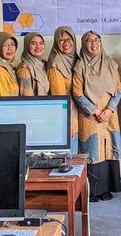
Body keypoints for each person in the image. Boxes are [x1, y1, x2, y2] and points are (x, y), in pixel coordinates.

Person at [73, 31, 121, 202]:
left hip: (109, 115)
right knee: (93, 151)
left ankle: (107, 188)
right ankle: (93, 191)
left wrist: (109, 110)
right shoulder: (80, 66)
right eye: (90, 41)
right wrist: (95, 111)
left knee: (108, 148)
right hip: (91, 117)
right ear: (84, 44)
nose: (94, 44)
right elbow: (77, 93)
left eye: (97, 40)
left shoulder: (110, 64)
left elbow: (119, 89)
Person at [47, 26, 80, 154]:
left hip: (76, 116)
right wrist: (67, 123)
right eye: (61, 40)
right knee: (68, 157)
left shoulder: (76, 60)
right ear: (56, 42)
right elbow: (59, 98)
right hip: (66, 119)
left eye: (69, 39)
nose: (66, 43)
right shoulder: (56, 64)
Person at [16, 32, 49, 96]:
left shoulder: (44, 65)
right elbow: (27, 100)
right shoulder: (24, 70)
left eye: (41, 43)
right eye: (34, 43)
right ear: (27, 46)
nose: (38, 46)